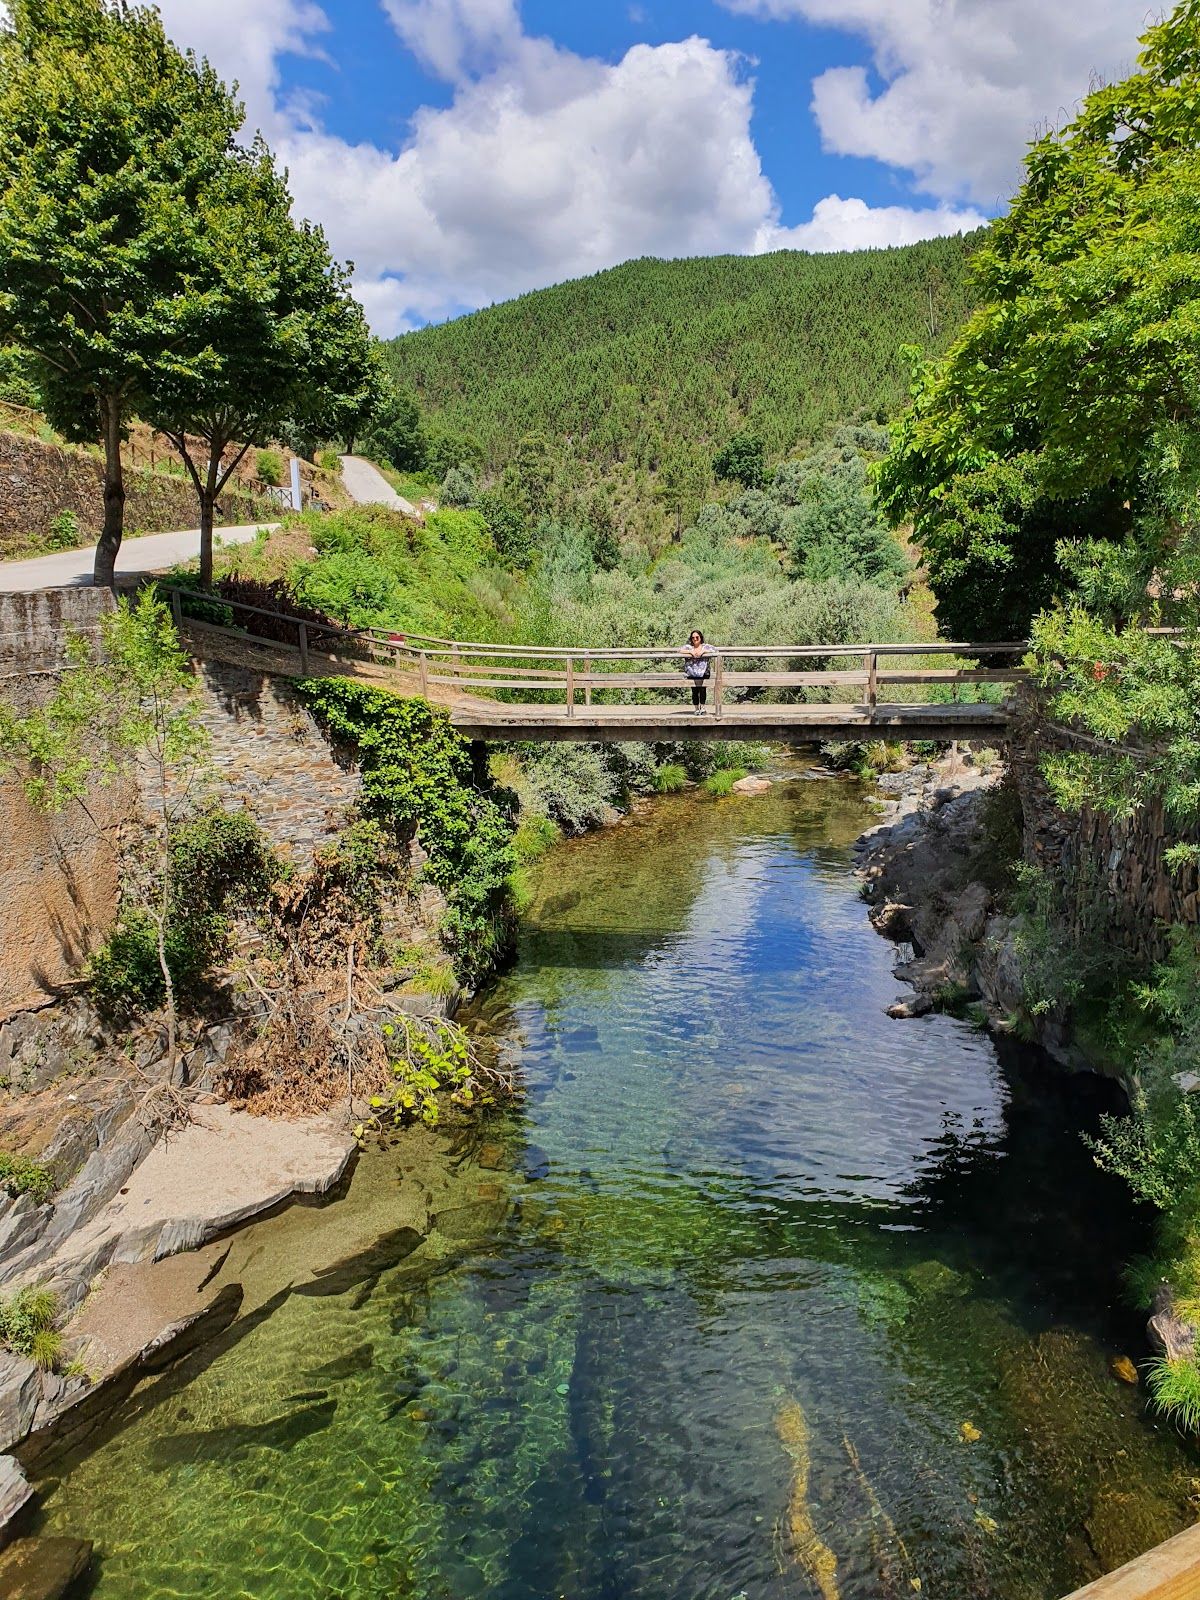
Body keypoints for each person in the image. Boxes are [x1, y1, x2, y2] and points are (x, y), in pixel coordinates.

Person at [681, 629, 714, 713]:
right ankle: (696, 708)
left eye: (697, 637)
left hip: (704, 672)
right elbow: (680, 650)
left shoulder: (706, 646)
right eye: (693, 638)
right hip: (692, 672)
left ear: (700, 637)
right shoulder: (689, 647)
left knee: (702, 689)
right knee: (694, 690)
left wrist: (703, 651)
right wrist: (690, 652)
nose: (695, 639)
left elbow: (714, 650)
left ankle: (702, 708)